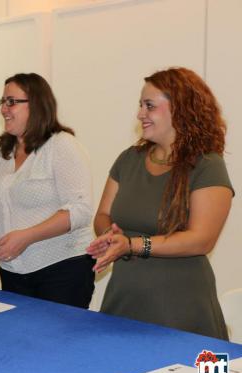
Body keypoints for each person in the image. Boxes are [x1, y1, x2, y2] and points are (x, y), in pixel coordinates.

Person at [86, 67, 233, 339]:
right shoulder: (128, 159)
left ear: (179, 109)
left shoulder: (208, 164)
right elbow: (103, 214)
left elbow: (202, 240)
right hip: (124, 301)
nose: (140, 114)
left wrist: (132, 244)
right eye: (140, 105)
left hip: (185, 309)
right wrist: (110, 237)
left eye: (149, 106)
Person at [0, 73, 95, 308]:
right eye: (2, 102)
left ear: (36, 104)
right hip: (12, 271)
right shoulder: (1, 151)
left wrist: (27, 237)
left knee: (56, 344)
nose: (4, 109)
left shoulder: (61, 145)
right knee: (21, 341)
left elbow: (80, 211)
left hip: (62, 269)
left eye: (11, 102)